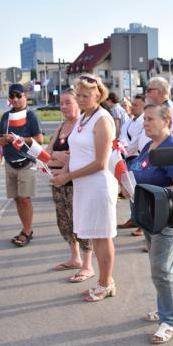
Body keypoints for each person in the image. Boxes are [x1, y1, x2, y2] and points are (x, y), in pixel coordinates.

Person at [125, 103, 173, 343]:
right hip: (149, 217)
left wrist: (150, 196)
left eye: (150, 119)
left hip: (167, 219)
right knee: (161, 269)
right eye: (144, 119)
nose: (145, 124)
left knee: (162, 270)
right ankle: (167, 309)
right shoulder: (148, 146)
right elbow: (140, 173)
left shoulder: (172, 148)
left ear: (167, 121)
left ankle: (170, 321)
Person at [51, 75, 118, 302]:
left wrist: (68, 175)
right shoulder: (84, 118)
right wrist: (64, 170)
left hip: (98, 186)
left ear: (98, 95)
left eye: (85, 95)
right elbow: (77, 152)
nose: (80, 99)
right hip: (84, 186)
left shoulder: (102, 119)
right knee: (95, 236)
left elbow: (100, 162)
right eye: (78, 95)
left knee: (102, 236)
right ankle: (103, 281)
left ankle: (106, 283)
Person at [45, 88, 95, 281]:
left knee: (81, 221)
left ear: (78, 103)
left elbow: (83, 153)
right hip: (58, 183)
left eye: (68, 102)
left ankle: (87, 264)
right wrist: (57, 155)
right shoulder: (61, 127)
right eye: (61, 103)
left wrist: (60, 158)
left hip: (77, 183)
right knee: (64, 221)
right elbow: (47, 153)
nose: (64, 107)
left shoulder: (82, 126)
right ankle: (75, 258)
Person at [0, 84, 43, 246]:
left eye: (18, 96)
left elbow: (40, 139)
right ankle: (25, 228)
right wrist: (2, 140)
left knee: (24, 198)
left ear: (25, 96)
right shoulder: (6, 116)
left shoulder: (31, 116)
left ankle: (28, 231)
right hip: (10, 163)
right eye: (12, 96)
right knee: (17, 198)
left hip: (26, 163)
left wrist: (20, 139)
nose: (15, 99)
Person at [117, 94, 149, 234]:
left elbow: (135, 143)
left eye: (136, 105)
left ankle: (143, 223)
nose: (132, 107)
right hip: (126, 157)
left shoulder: (144, 121)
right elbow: (121, 137)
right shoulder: (129, 122)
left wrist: (124, 149)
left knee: (139, 192)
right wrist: (119, 148)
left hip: (136, 157)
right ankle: (134, 218)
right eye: (133, 104)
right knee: (131, 191)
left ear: (143, 106)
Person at [145, 77, 173, 141]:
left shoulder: (170, 109)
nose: (146, 94)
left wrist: (160, 148)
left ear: (159, 91)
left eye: (149, 90)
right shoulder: (160, 107)